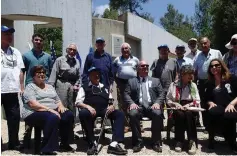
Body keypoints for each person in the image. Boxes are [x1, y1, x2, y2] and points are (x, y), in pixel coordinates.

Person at [21, 65, 75, 154]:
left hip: (51, 111)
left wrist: (61, 106)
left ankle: (64, 143)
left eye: (43, 72)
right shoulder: (30, 87)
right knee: (53, 117)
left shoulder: (49, 86)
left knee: (68, 115)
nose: (42, 74)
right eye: (39, 72)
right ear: (33, 76)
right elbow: (33, 104)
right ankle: (47, 149)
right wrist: (50, 110)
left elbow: (57, 100)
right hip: (33, 112)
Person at [76, 67, 127, 155]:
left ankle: (114, 143)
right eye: (93, 74)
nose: (96, 75)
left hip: (104, 110)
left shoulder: (105, 87)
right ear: (89, 76)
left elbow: (111, 100)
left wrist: (111, 106)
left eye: (97, 73)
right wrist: (88, 107)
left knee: (120, 114)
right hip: (90, 110)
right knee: (83, 113)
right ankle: (92, 142)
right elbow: (77, 102)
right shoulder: (84, 87)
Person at [124, 60, 165, 153]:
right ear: (138, 69)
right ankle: (138, 142)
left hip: (152, 106)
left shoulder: (156, 80)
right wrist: (131, 103)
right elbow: (126, 94)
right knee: (133, 114)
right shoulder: (131, 81)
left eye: (147, 66)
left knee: (157, 113)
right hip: (138, 107)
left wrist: (158, 103)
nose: (145, 67)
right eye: (142, 66)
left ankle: (155, 142)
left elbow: (162, 94)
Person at [166, 65, 200, 155]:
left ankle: (192, 141)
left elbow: (197, 100)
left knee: (188, 114)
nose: (191, 76)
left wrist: (189, 105)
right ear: (182, 74)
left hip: (190, 108)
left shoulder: (193, 85)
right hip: (177, 108)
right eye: (188, 74)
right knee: (180, 114)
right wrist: (175, 103)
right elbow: (168, 99)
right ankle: (179, 140)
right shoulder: (174, 85)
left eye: (192, 73)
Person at [205, 59, 237, 153]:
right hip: (219, 106)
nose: (214, 67)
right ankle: (211, 139)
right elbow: (206, 98)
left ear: (222, 66)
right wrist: (210, 102)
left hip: (232, 105)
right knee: (212, 112)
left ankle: (232, 142)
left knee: (229, 115)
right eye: (211, 66)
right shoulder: (209, 83)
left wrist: (232, 104)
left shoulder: (231, 78)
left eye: (216, 65)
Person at [1, 25, 25, 150]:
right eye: (6, 34)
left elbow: (20, 70)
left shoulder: (16, 52)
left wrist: (21, 87)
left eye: (11, 34)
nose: (9, 36)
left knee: (14, 117)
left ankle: (13, 142)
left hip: (12, 89)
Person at [193, 37, 222, 129]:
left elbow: (222, 66)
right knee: (203, 103)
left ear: (209, 43)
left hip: (215, 81)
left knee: (217, 101)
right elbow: (195, 70)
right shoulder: (197, 55)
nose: (203, 45)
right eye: (201, 44)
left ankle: (218, 126)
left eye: (205, 43)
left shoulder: (216, 53)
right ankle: (207, 125)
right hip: (202, 82)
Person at [113, 42, 139, 133]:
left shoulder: (135, 59)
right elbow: (113, 72)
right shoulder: (117, 60)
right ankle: (126, 125)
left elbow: (139, 71)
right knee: (123, 105)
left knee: (135, 103)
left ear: (130, 49)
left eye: (126, 48)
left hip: (133, 84)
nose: (125, 50)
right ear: (121, 50)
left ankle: (137, 124)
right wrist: (118, 82)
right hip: (122, 84)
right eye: (123, 49)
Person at [48, 43, 80, 113]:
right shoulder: (60, 60)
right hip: (61, 84)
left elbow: (79, 76)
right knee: (62, 105)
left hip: (72, 86)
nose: (72, 51)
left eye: (74, 50)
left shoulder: (77, 62)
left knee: (72, 106)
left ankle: (72, 123)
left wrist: (76, 85)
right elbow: (54, 73)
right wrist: (50, 88)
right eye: (70, 49)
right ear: (67, 50)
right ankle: (61, 123)